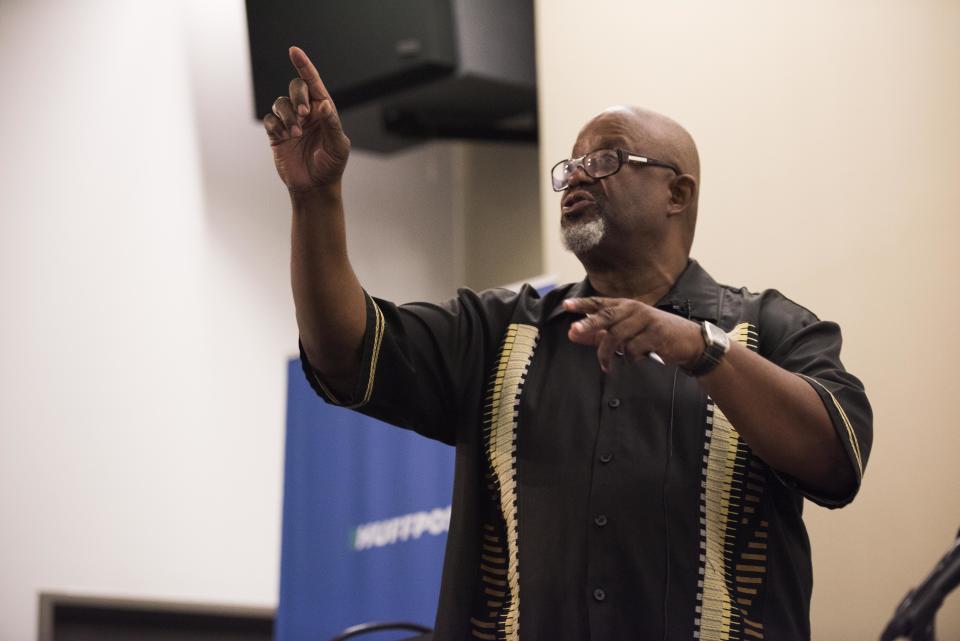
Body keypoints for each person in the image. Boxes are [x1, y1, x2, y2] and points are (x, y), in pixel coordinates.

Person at [264, 46, 873, 641]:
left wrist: (700, 348)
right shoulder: (496, 331)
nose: (576, 174)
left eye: (607, 158)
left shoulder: (771, 330)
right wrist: (314, 199)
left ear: (677, 194)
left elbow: (836, 459)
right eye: (571, 164)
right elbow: (344, 351)